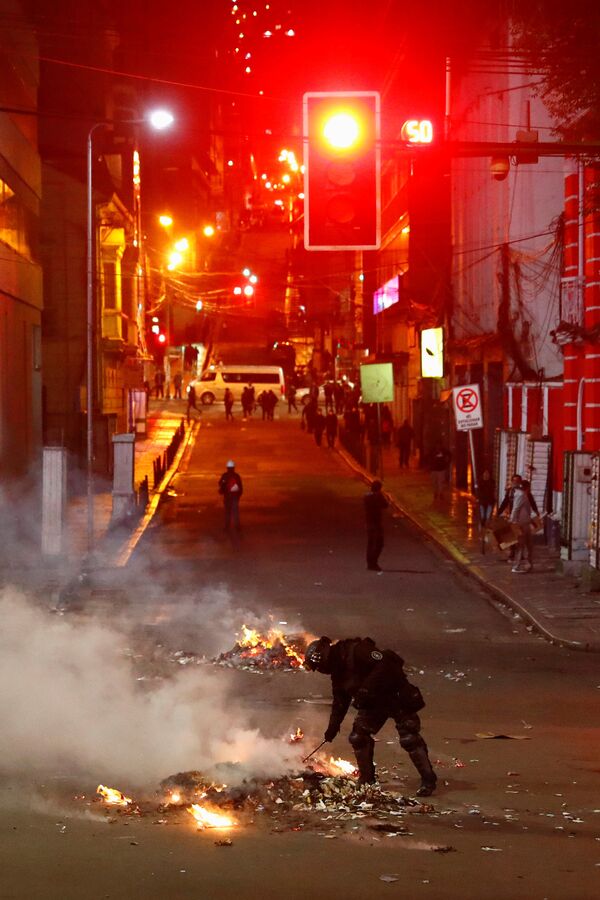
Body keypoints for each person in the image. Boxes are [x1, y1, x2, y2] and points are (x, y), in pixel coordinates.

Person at [304, 636, 437, 796]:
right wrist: (332, 728)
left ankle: (428, 780)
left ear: (324, 659)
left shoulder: (357, 650)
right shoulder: (338, 672)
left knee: (409, 737)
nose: (320, 670)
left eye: (318, 667)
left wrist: (366, 689)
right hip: (375, 704)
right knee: (358, 737)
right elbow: (340, 702)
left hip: (396, 695)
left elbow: (385, 665)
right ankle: (367, 780)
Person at [510, 480, 534, 573]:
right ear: (527, 487)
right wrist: (513, 521)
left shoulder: (522, 494)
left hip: (525, 522)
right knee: (521, 545)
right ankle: (516, 566)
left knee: (528, 545)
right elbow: (516, 508)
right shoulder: (521, 495)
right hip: (521, 523)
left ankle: (528, 564)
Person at [364, 479, 388, 571]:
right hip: (376, 523)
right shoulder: (378, 496)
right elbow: (385, 505)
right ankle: (374, 562)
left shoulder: (366, 497)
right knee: (379, 543)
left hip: (369, 522)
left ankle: (370, 563)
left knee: (370, 543)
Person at [218, 460, 243, 533]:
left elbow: (220, 483)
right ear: (234, 468)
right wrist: (238, 495)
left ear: (227, 468)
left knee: (227, 512)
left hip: (227, 496)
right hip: (235, 496)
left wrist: (222, 490)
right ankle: (237, 526)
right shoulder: (236, 476)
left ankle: (227, 526)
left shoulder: (225, 476)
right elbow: (240, 487)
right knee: (235, 511)